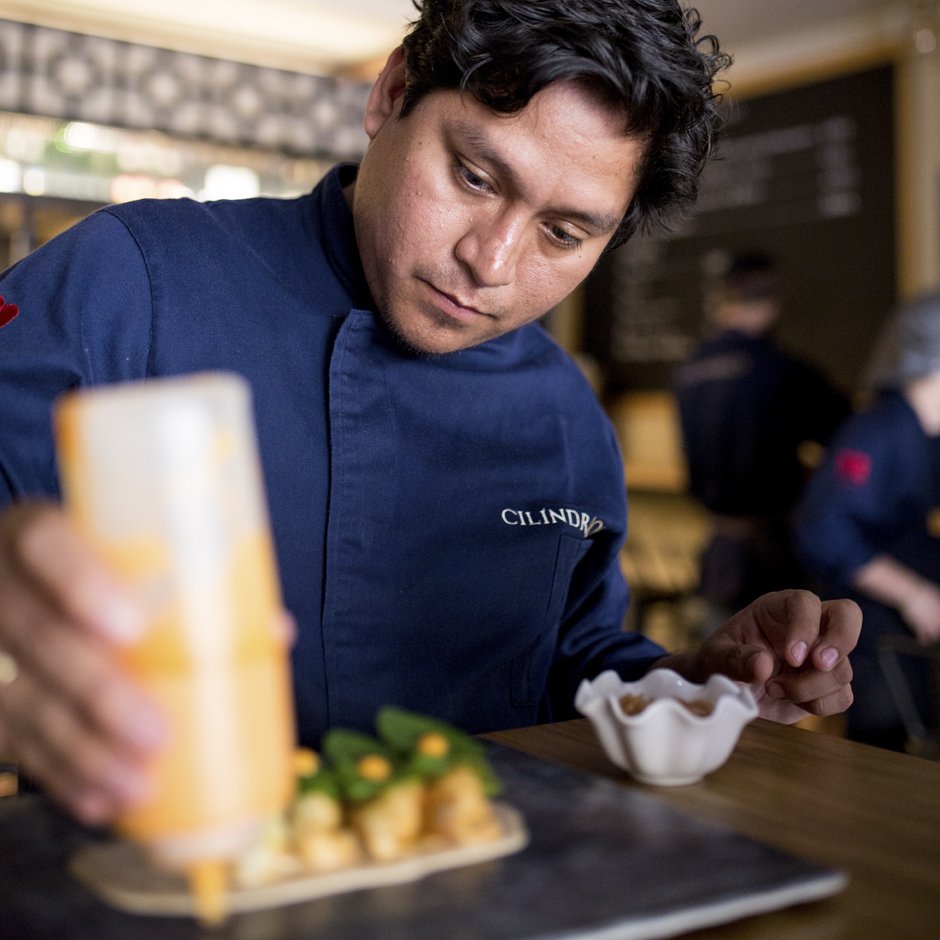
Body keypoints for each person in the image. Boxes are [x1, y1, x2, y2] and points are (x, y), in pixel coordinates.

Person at [0, 0, 858, 829]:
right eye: (475, 176)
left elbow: (566, 668)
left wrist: (694, 685)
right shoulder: (128, 282)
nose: (489, 261)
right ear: (392, 92)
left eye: (562, 234)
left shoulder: (564, 412)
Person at [795, 291, 940, 752]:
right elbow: (823, 530)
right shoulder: (881, 429)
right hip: (875, 627)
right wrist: (915, 594)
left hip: (906, 629)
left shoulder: (926, 431)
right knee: (880, 751)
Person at [674, 250, 851, 624]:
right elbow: (846, 438)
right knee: (784, 666)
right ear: (770, 304)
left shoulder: (689, 370)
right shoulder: (782, 370)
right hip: (777, 555)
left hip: (718, 551)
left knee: (722, 666)